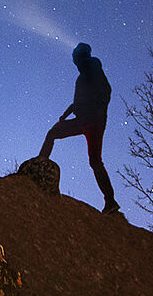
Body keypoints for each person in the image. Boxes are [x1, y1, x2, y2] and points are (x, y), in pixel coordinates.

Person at [40, 42, 121, 213]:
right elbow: (77, 103)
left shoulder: (92, 66)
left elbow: (105, 92)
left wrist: (95, 110)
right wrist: (65, 115)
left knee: (94, 160)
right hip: (85, 120)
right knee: (53, 134)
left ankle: (110, 201)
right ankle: (40, 164)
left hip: (92, 121)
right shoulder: (83, 77)